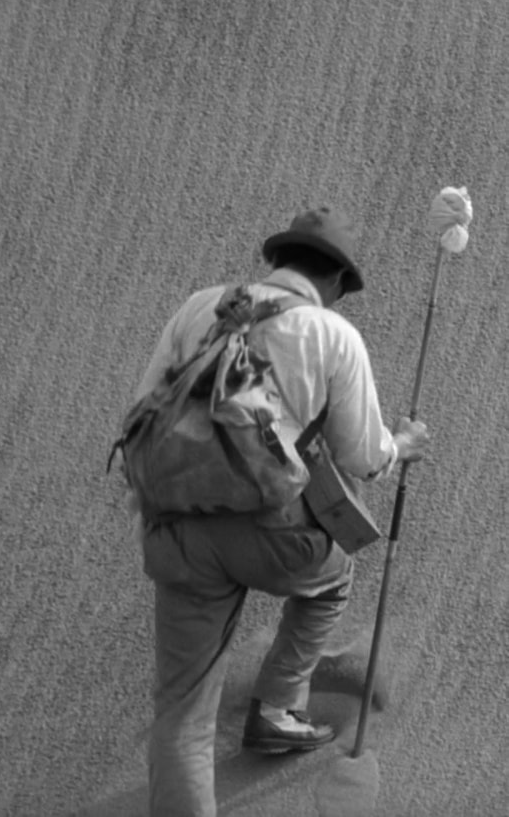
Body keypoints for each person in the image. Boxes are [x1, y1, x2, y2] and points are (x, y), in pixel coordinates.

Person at [131, 207, 429, 817]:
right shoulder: (332, 334)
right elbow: (365, 459)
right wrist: (404, 444)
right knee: (332, 578)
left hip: (174, 529)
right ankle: (278, 706)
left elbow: (144, 408)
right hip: (273, 535)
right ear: (338, 283)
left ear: (275, 262)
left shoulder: (198, 308)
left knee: (182, 715)